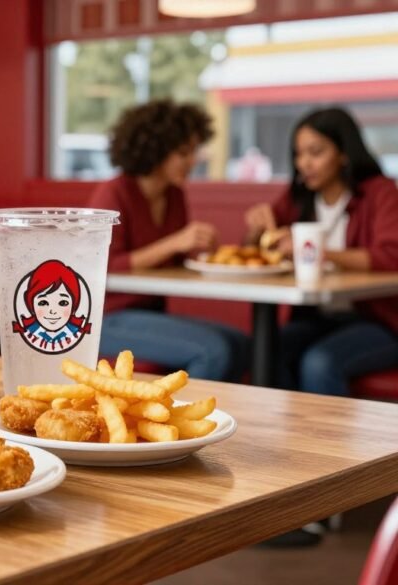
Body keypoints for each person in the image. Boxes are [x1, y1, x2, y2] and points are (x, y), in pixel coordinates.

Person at [89, 99, 248, 381]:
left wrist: (200, 254)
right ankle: (186, 420)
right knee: (214, 351)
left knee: (243, 344)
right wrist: (176, 242)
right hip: (106, 320)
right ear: (156, 150)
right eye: (183, 152)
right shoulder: (114, 193)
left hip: (151, 314)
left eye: (194, 151)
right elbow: (104, 265)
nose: (193, 160)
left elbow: (172, 261)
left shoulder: (174, 195)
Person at [245, 107, 398, 396]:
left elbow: (391, 256)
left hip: (378, 322)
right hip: (316, 319)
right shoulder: (298, 198)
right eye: (298, 154)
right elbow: (260, 250)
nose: (304, 163)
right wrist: (255, 232)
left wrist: (318, 252)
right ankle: (286, 436)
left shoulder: (380, 193)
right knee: (265, 351)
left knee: (319, 363)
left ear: (343, 153)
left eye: (315, 152)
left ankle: (325, 442)